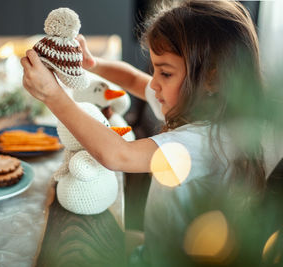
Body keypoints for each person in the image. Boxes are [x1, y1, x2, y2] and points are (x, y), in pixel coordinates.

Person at [21, 0, 266, 265]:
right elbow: (134, 81)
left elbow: (118, 155)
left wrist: (53, 96)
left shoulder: (207, 141)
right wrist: (92, 63)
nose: (154, 83)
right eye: (155, 69)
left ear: (211, 79)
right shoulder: (196, 105)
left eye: (165, 73)